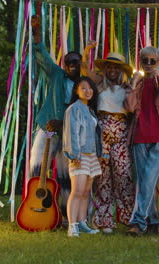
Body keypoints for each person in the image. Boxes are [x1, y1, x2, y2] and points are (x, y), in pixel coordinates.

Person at [28, 16, 81, 219]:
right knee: (37, 165)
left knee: (65, 173)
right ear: (64, 64)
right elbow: (42, 57)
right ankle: (40, 204)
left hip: (68, 132)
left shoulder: (84, 85)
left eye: (75, 62)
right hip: (48, 126)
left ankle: (67, 215)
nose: (71, 65)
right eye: (68, 62)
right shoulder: (56, 74)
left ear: (80, 64)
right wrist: (36, 35)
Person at [81, 41, 135, 234]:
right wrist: (86, 51)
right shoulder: (98, 84)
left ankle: (128, 217)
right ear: (105, 69)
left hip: (121, 134)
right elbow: (83, 69)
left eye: (116, 67)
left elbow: (133, 109)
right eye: (109, 66)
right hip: (102, 134)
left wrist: (134, 84)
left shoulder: (128, 88)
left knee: (124, 176)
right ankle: (104, 221)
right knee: (103, 179)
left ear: (121, 70)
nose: (112, 69)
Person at [124, 46, 159, 236]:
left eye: (153, 61)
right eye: (145, 60)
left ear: (158, 63)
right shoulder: (136, 82)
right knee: (146, 180)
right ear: (141, 61)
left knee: (147, 180)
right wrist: (134, 83)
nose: (149, 64)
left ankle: (138, 222)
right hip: (139, 137)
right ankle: (152, 220)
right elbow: (129, 107)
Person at [63, 77, 103, 237]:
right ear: (76, 91)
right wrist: (74, 154)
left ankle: (82, 222)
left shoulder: (90, 110)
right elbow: (71, 132)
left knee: (86, 192)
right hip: (79, 154)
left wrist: (99, 154)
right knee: (77, 191)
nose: (88, 91)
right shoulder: (73, 109)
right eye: (83, 88)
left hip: (92, 155)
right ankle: (71, 226)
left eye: (90, 88)